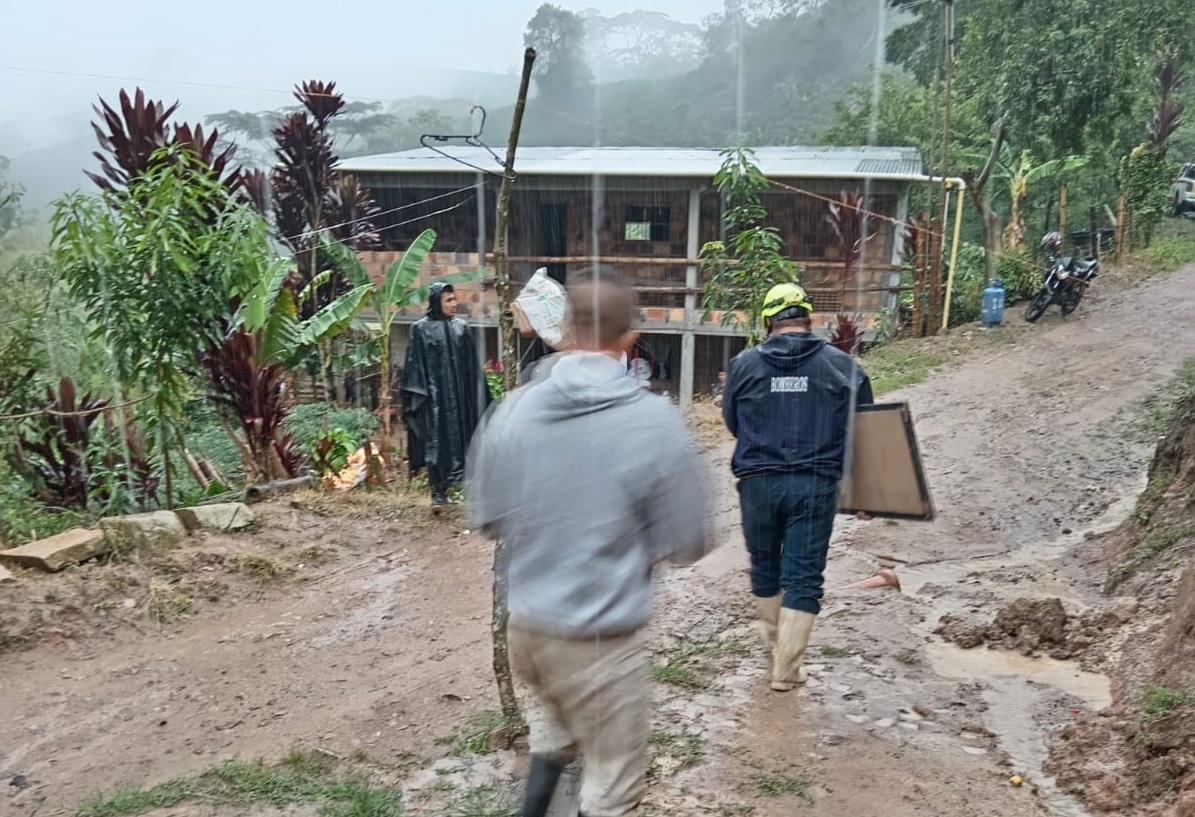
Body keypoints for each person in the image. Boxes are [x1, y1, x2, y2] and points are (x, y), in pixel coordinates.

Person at [467, 266, 713, 817]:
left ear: (569, 329)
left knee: (553, 729)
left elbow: (487, 521)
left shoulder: (516, 409)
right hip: (601, 637)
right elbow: (691, 540)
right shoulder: (653, 420)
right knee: (613, 783)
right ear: (631, 340)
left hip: (529, 628)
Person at [722, 282, 873, 692]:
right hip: (814, 484)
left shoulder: (743, 364)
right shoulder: (843, 366)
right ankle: (786, 670)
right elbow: (869, 431)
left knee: (765, 564)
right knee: (804, 576)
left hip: (757, 483)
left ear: (769, 321)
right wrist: (868, 493)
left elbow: (733, 422)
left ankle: (775, 648)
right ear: (809, 318)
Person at [400, 282, 489, 512]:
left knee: (461, 439)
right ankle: (437, 493)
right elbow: (414, 364)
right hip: (433, 397)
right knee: (435, 443)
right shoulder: (420, 329)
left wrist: (478, 394)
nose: (454, 304)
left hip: (458, 396)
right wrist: (419, 395)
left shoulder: (462, 327)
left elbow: (471, 366)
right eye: (448, 300)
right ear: (436, 302)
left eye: (454, 299)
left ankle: (457, 488)